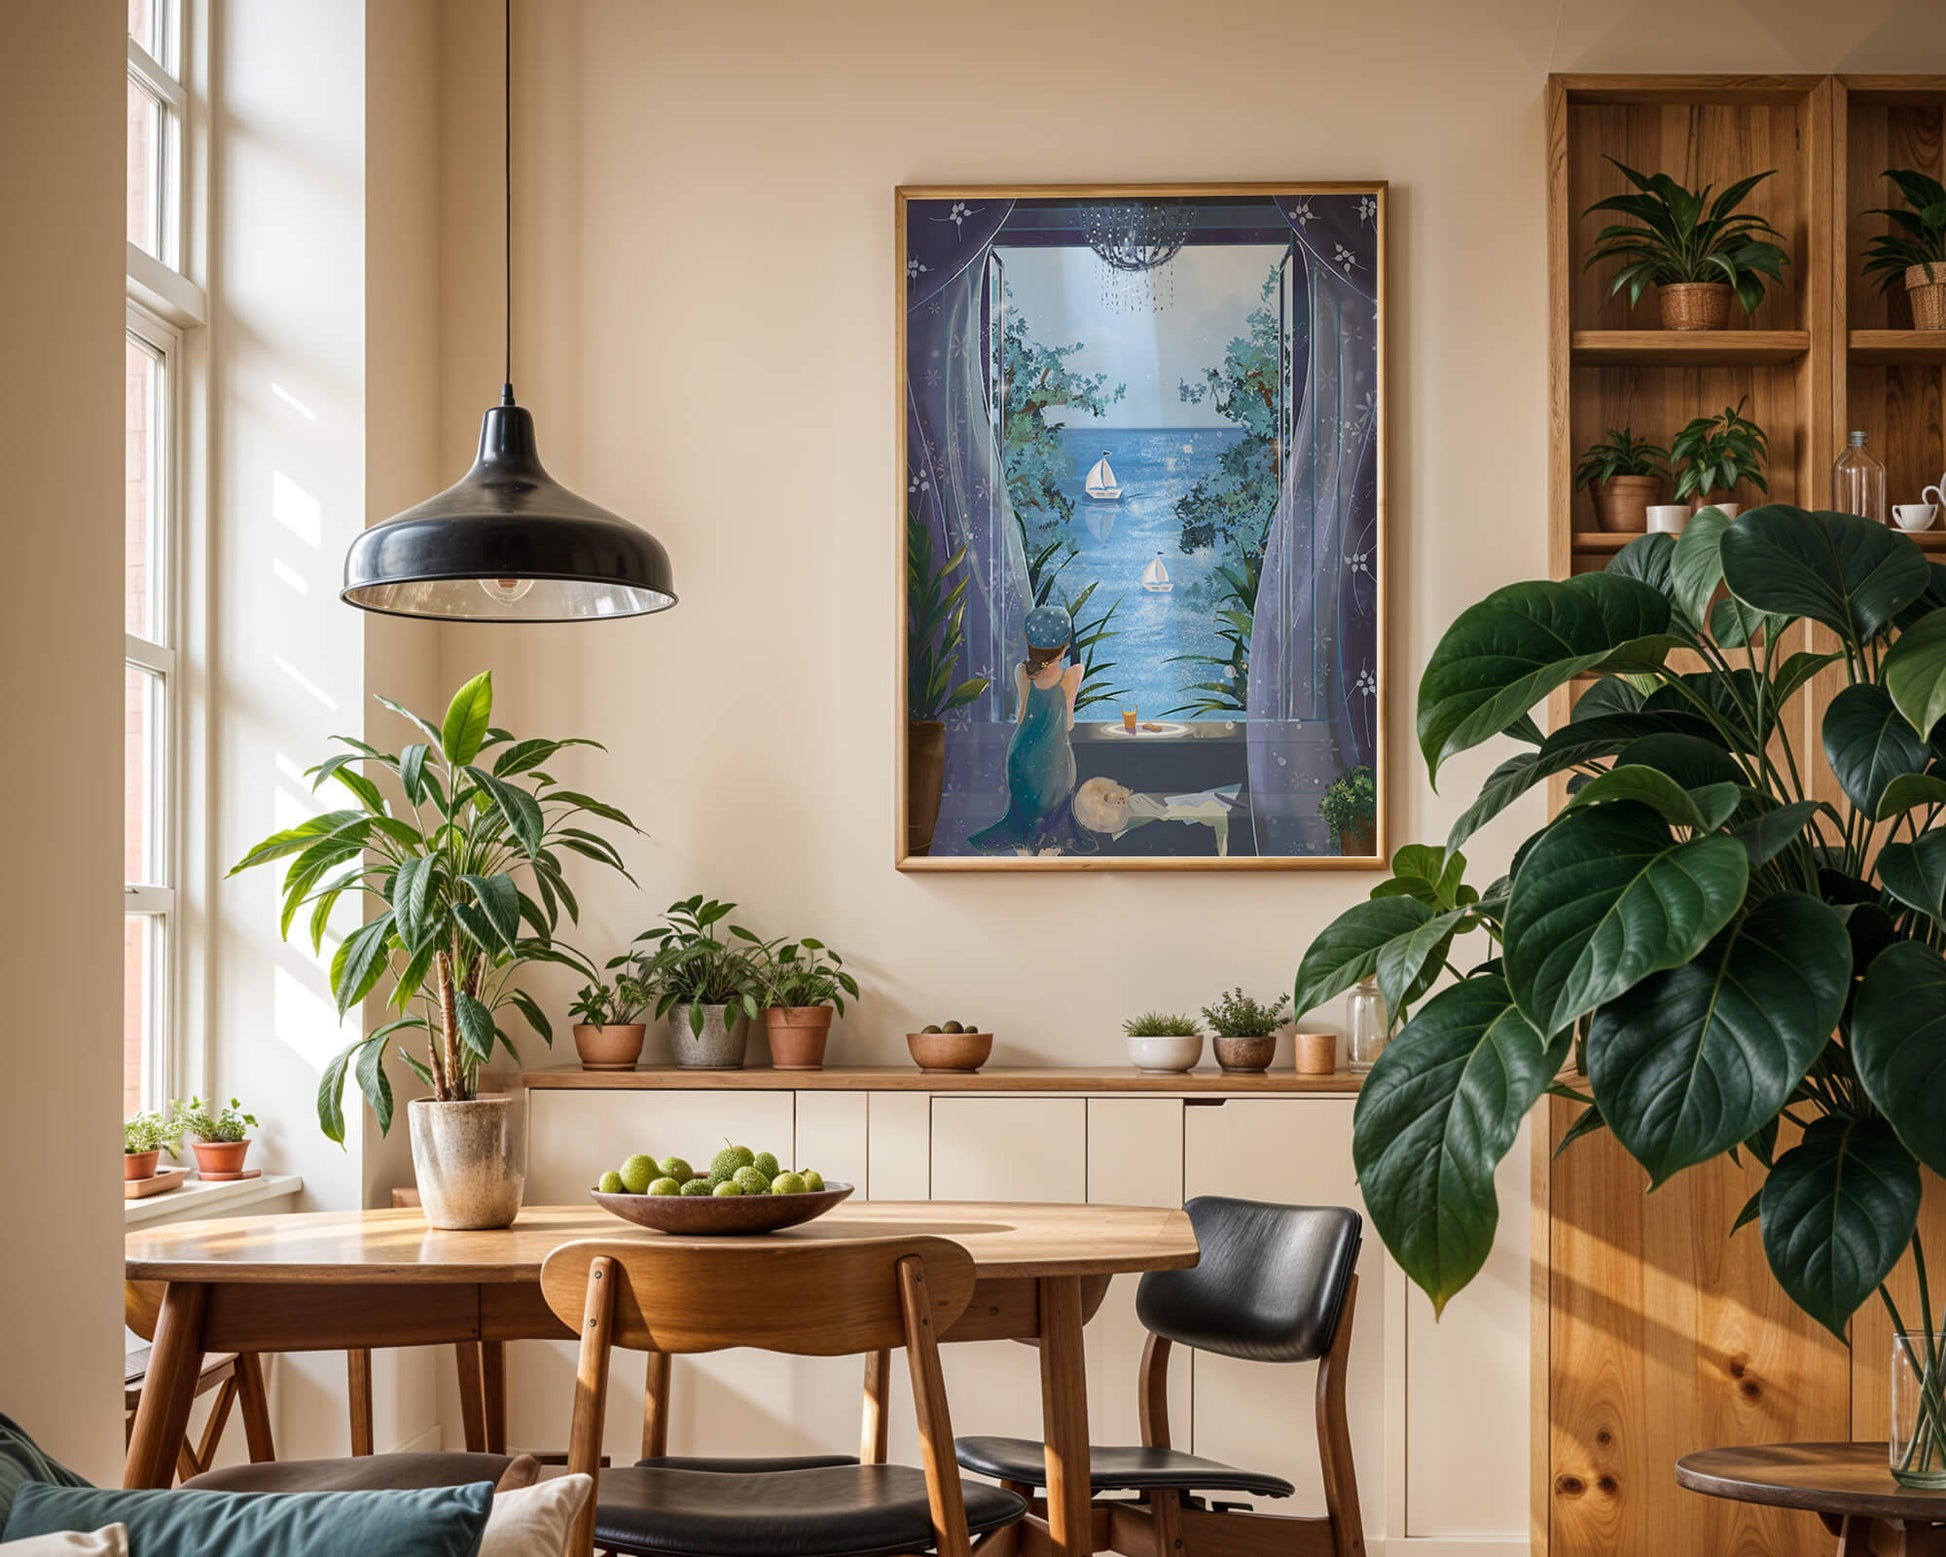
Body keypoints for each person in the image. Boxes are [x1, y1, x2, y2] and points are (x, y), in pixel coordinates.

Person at [969, 604, 1097, 856]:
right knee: (1053, 828)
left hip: (1021, 758)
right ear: (1066, 644)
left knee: (1023, 823)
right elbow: (1068, 724)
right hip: (1054, 761)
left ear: (1028, 641)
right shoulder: (1074, 675)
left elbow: (1021, 717)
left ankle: (1024, 859)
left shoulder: (1021, 672)